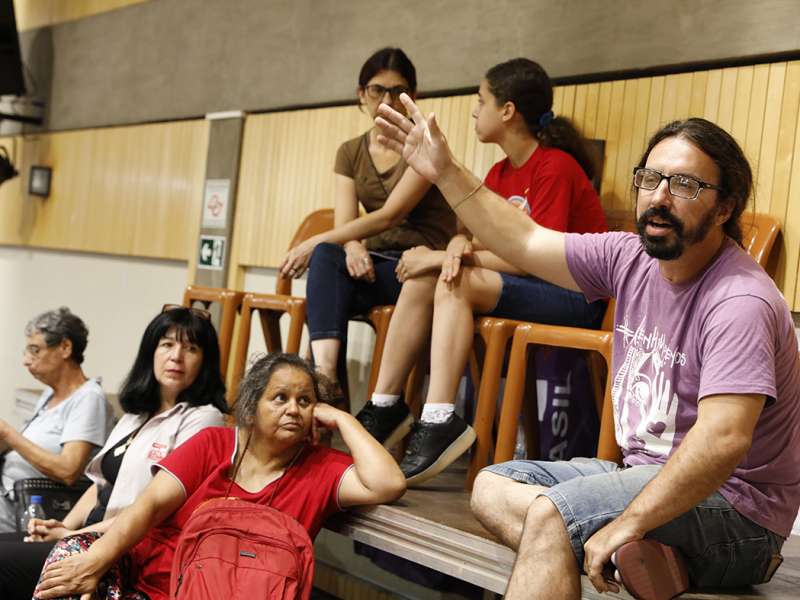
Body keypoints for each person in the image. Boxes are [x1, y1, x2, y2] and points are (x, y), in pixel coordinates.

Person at [376, 96, 800, 598]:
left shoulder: (740, 300)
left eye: (685, 185)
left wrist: (627, 521)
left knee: (553, 518)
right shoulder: (629, 258)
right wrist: (446, 172)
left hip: (738, 514)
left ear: (725, 207)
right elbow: (525, 241)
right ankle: (646, 558)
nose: (660, 197)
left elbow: (724, 440)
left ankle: (622, 541)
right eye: (650, 179)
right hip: (645, 475)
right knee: (492, 487)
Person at [356, 58, 607, 485]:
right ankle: (386, 405)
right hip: (528, 285)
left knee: (454, 279)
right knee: (422, 280)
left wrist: (445, 258)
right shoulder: (498, 172)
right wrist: (456, 246)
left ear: (507, 111)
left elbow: (535, 258)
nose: (475, 111)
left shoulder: (555, 167)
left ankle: (439, 418)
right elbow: (474, 238)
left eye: (480, 101)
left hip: (576, 296)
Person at [33, 352, 406, 600]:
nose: (294, 409)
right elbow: (150, 506)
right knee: (70, 558)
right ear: (251, 407)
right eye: (280, 398)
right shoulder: (213, 443)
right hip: (152, 582)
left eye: (305, 401)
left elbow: (388, 483)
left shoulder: (321, 467)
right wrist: (95, 559)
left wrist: (342, 419)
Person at [0, 305, 227, 599]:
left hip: (123, 549)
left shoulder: (204, 419)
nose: (176, 356)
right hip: (86, 534)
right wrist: (63, 525)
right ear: (151, 352)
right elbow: (100, 484)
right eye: (167, 345)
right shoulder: (136, 413)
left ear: (205, 362)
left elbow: (156, 509)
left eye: (191, 348)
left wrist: (72, 535)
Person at [278, 47, 456, 400]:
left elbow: (390, 214)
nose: (386, 100)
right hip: (376, 264)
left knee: (321, 251)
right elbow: (346, 221)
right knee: (328, 259)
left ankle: (355, 398)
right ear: (362, 94)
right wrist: (351, 246)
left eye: (397, 91)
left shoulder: (424, 145)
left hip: (417, 269)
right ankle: (326, 379)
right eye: (377, 90)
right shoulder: (350, 151)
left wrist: (313, 242)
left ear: (413, 95)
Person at [0, 307, 113, 533]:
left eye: (35, 350)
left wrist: (8, 433)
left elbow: (68, 470)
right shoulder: (49, 396)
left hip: (32, 515)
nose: (26, 361)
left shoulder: (89, 398)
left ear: (65, 347)